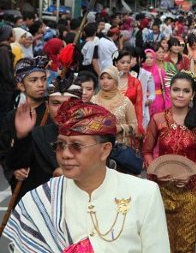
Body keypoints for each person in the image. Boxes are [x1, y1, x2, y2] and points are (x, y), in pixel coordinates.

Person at [5, 100, 170, 252]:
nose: (65, 154)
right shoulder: (40, 200)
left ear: (105, 150)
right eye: (60, 145)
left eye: (76, 146)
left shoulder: (143, 193)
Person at [143, 71, 196, 253]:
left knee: (186, 244)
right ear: (168, 92)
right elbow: (147, 152)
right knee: (161, 244)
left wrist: (190, 173)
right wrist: (155, 171)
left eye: (186, 91)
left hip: (191, 190)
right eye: (176, 90)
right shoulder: (157, 119)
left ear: (193, 95)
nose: (180, 95)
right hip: (161, 190)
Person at [0, 59, 79, 203]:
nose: (40, 84)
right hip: (28, 186)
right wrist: (13, 171)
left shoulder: (56, 112)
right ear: (21, 85)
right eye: (33, 80)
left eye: (43, 79)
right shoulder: (12, 117)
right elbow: (5, 152)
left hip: (57, 183)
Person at [91, 66, 138, 150]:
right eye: (102, 78)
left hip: (120, 150)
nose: (105, 81)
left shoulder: (125, 102)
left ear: (116, 81)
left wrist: (120, 128)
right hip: (98, 148)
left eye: (109, 78)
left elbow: (135, 127)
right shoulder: (93, 100)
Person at [113, 50, 144, 134]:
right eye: (122, 62)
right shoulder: (110, 81)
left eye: (128, 62)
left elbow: (139, 106)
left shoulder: (136, 82)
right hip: (112, 122)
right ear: (116, 63)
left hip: (130, 122)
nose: (126, 65)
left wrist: (139, 126)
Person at [142, 49, 170, 117]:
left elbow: (167, 89)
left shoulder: (161, 72)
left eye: (151, 58)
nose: (148, 60)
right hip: (143, 102)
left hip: (158, 102)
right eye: (146, 58)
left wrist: (168, 104)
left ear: (154, 58)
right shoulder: (140, 72)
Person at [0, 24, 16, 112]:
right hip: (4, 89)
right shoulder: (4, 50)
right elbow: (6, 72)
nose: (15, 35)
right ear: (8, 36)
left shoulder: (6, 49)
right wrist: (15, 84)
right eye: (13, 33)